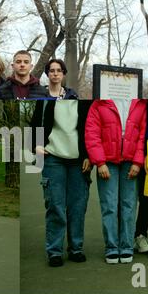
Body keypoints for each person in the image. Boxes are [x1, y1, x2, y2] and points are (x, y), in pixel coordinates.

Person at [32, 97, 92, 267]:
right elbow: (35, 122)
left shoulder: (85, 101)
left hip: (79, 160)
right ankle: (54, 251)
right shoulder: (45, 100)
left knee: (78, 206)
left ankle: (76, 249)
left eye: (60, 70)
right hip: (52, 158)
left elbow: (91, 128)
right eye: (53, 70)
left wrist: (89, 155)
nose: (56, 74)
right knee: (55, 205)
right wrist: (35, 145)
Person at [85, 98, 147, 264]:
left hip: (131, 160)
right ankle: (112, 247)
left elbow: (143, 135)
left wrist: (137, 162)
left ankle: (126, 246)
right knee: (109, 206)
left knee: (129, 205)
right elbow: (92, 133)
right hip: (107, 161)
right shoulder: (99, 103)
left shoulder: (141, 103)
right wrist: (100, 162)